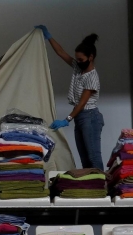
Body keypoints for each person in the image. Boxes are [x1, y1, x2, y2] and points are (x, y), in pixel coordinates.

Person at [36, 25, 104, 170]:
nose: (77, 61)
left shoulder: (92, 77)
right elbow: (61, 52)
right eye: (77, 59)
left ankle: (101, 187)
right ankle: (90, 189)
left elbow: (82, 102)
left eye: (81, 59)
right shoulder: (78, 68)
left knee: (93, 156)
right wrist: (49, 37)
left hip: (90, 117)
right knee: (84, 158)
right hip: (80, 117)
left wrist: (67, 119)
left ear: (90, 57)